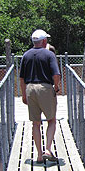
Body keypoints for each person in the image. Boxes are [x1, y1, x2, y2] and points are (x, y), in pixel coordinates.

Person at [19, 29, 61, 163]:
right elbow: (56, 75)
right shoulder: (49, 54)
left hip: (30, 89)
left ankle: (38, 155)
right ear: (44, 41)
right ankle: (48, 150)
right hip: (45, 88)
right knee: (52, 120)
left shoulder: (26, 55)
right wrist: (56, 86)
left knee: (35, 124)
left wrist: (24, 94)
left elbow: (21, 78)